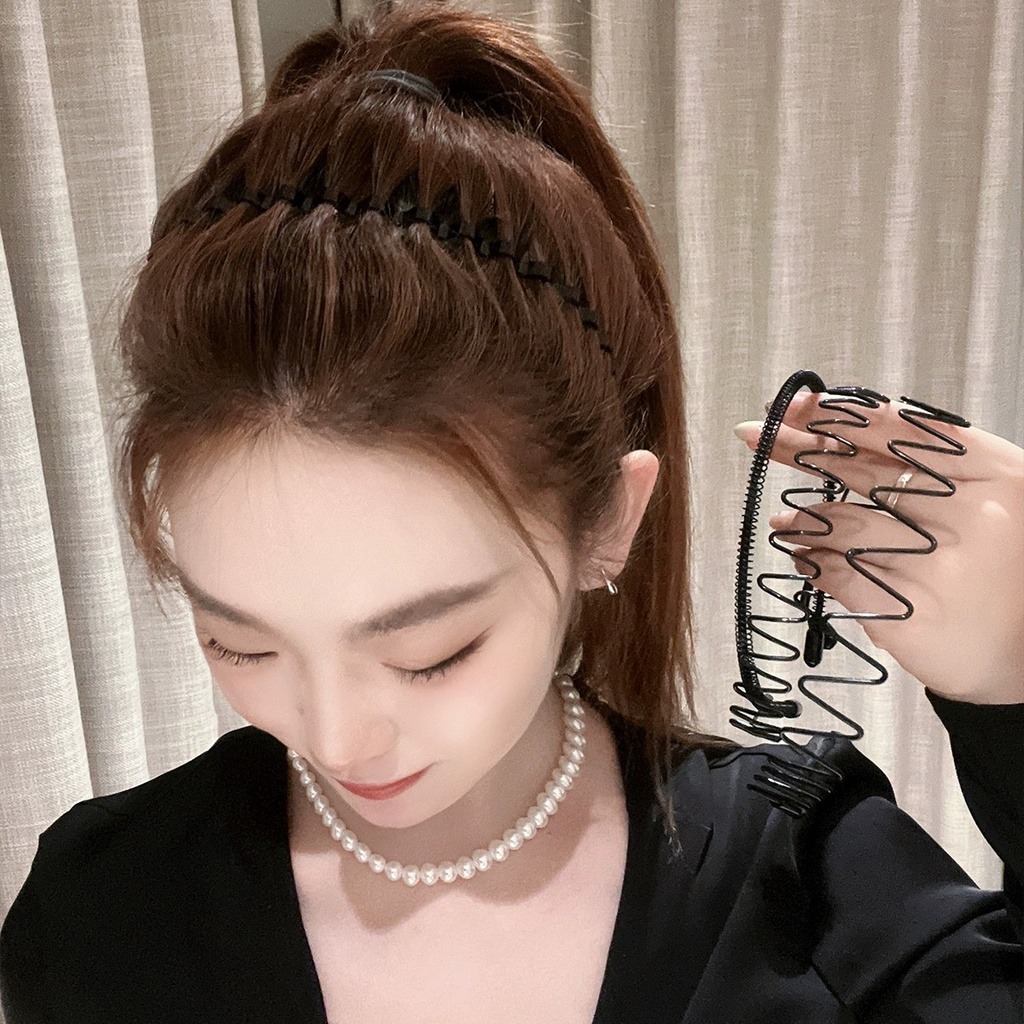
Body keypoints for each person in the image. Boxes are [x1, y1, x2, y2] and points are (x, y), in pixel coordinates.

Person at [1, 1, 1021, 1021]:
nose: (339, 739)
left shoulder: (815, 883)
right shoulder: (105, 911)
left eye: (430, 652)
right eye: (242, 642)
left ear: (608, 521)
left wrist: (1014, 686)